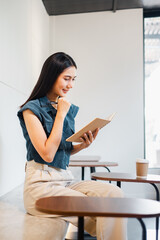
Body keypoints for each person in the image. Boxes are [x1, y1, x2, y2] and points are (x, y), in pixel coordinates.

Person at [17, 52, 127, 240]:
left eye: (73, 79)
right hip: (40, 186)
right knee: (93, 208)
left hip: (64, 178)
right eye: (66, 78)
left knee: (114, 194)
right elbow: (47, 155)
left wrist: (82, 146)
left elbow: (62, 150)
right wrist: (60, 114)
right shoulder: (31, 110)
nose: (71, 85)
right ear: (51, 76)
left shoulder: (64, 106)